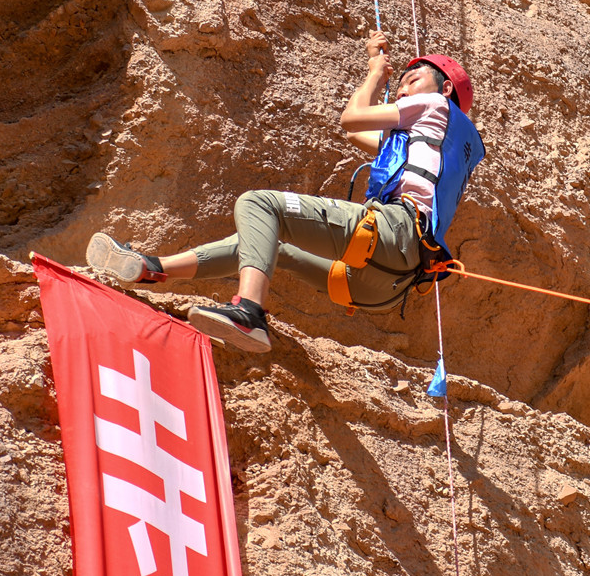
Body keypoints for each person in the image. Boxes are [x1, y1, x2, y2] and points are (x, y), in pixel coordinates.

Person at [87, 32, 480, 352]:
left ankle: (249, 313)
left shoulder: (434, 107)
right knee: (269, 243)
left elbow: (351, 119)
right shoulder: (438, 145)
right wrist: (375, 75)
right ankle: (153, 268)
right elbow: (364, 136)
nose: (404, 90)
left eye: (413, 79)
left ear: (444, 88)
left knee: (258, 204)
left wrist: (376, 74)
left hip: (391, 233)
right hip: (387, 286)